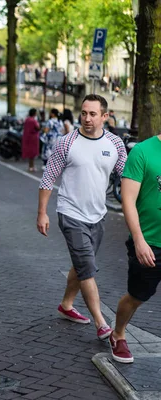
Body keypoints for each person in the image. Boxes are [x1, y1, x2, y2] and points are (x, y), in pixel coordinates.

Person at [37, 94, 127, 341]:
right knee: (87, 267)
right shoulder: (67, 142)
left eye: (93, 114)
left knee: (81, 264)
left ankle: (66, 305)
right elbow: (48, 178)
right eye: (84, 113)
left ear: (105, 117)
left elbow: (129, 178)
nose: (87, 119)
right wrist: (42, 213)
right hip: (70, 213)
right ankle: (101, 323)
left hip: (98, 215)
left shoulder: (115, 144)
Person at [108, 133, 161, 364]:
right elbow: (128, 200)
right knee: (138, 296)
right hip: (149, 242)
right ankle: (118, 333)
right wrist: (139, 240)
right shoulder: (142, 151)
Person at [22, 108, 41, 172]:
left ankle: (30, 166)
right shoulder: (33, 121)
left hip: (27, 138)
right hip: (33, 138)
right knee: (33, 153)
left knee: (30, 153)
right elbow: (38, 128)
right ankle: (32, 166)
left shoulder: (27, 120)